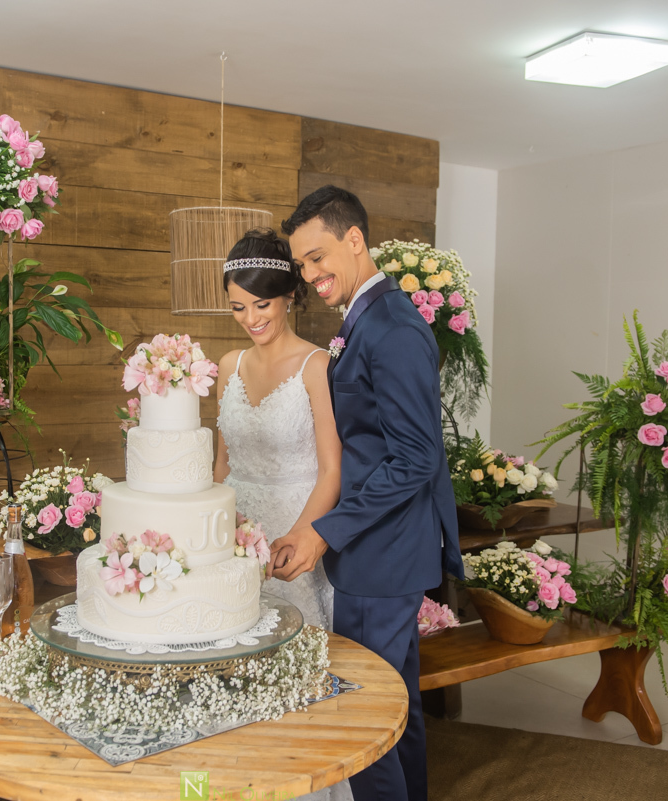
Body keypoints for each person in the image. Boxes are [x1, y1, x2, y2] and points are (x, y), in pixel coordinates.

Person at [271, 186, 463, 801]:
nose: (310, 275)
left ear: (355, 240)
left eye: (318, 257)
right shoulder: (369, 318)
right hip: (381, 551)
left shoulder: (393, 328)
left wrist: (325, 531)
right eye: (302, 264)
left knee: (361, 718)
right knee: (394, 710)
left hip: (383, 556)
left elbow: (416, 458)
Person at [213, 227, 352, 801]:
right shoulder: (227, 365)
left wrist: (302, 534)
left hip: (296, 533)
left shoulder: (317, 366)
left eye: (261, 305)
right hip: (235, 537)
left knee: (290, 678)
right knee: (231, 670)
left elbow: (332, 470)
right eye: (238, 308)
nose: (250, 319)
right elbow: (221, 464)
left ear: (290, 295)